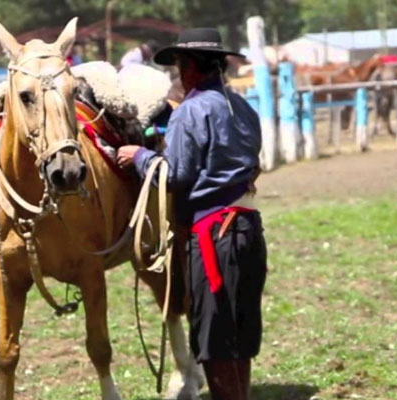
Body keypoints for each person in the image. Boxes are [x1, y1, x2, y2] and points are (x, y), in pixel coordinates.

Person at [116, 28, 267, 400]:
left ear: (193, 68)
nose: (178, 75)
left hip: (215, 235)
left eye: (181, 66)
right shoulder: (243, 107)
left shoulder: (191, 111)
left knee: (213, 335)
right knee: (239, 331)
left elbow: (176, 176)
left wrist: (139, 157)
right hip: (248, 227)